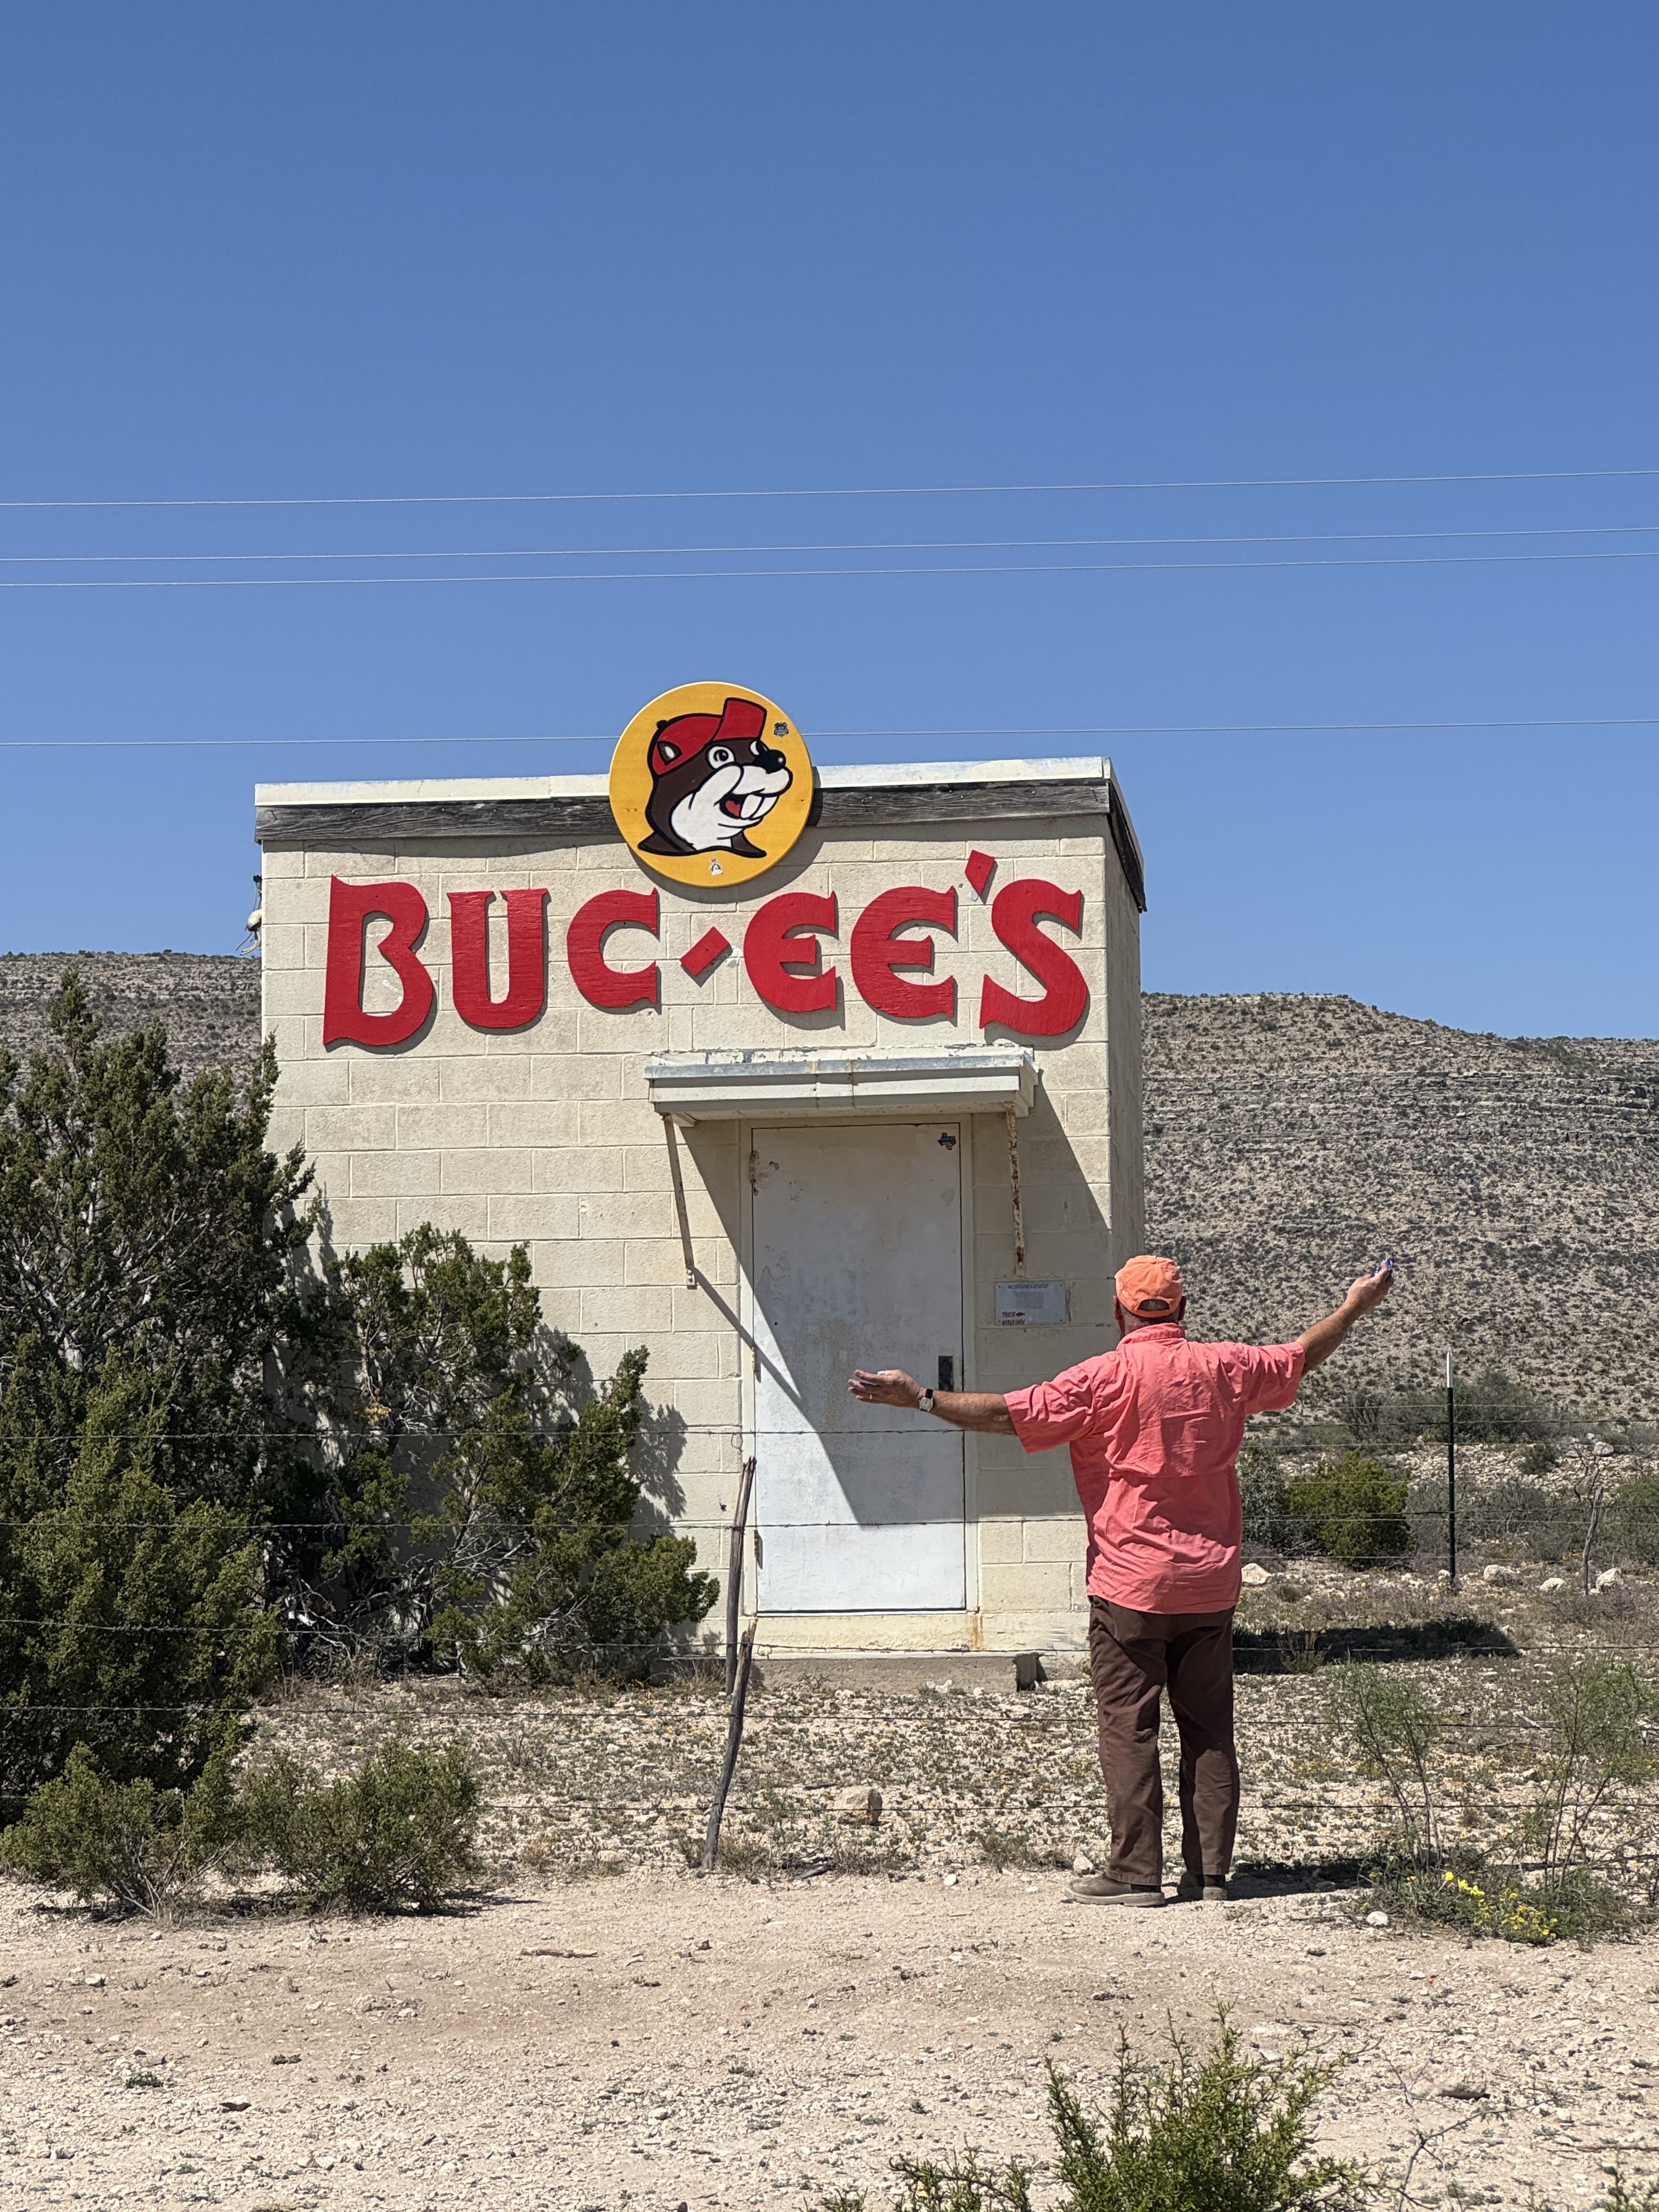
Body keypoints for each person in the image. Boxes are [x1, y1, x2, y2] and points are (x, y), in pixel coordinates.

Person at [848, 1253, 1393, 1906]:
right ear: (1181, 1309)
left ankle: (1135, 1872)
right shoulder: (1227, 1368)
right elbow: (1300, 1357)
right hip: (1209, 1583)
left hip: (1129, 1584)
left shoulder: (1100, 1379)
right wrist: (1354, 1306)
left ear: (1119, 1310)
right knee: (1209, 1728)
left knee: (1129, 1726)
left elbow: (1005, 1414)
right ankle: (1210, 1874)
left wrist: (922, 1397)